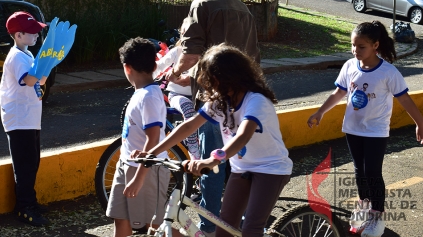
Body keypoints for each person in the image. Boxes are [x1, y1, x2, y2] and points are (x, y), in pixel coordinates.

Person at [136, 43, 292, 237]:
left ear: (226, 77)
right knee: (224, 227)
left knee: (252, 229)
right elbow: (189, 125)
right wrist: (153, 152)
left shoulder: (256, 101)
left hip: (270, 169)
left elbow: (243, 135)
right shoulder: (222, 101)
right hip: (242, 169)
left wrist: (214, 159)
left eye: (211, 78)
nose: (208, 83)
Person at [166, 0, 261, 235]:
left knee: (210, 164)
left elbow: (192, 53)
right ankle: (232, 220)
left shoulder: (203, 5)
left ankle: (209, 224)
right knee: (233, 162)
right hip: (240, 99)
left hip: (212, 97)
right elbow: (253, 59)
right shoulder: (246, 10)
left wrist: (173, 72)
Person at [307, 21, 423, 237]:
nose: (355, 50)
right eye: (353, 45)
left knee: (372, 172)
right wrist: (320, 112)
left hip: (376, 131)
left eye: (361, 47)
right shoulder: (350, 66)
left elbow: (405, 99)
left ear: (375, 45)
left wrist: (420, 122)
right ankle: (364, 206)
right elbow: (339, 93)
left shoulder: (388, 72)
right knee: (360, 172)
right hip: (353, 128)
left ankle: (377, 214)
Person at [106, 37, 172, 237]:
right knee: (121, 217)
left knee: (156, 227)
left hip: (146, 171)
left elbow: (152, 139)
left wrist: (138, 178)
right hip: (127, 164)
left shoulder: (149, 97)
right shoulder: (143, 93)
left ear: (127, 68)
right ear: (154, 65)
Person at [0, 11, 50, 227]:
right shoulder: (17, 57)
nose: (37, 34)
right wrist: (47, 61)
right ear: (18, 35)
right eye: (32, 31)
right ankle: (25, 207)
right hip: (20, 121)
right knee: (25, 165)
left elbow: (40, 80)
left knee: (31, 163)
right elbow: (30, 81)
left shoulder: (27, 55)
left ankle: (29, 203)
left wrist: (49, 62)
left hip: (29, 119)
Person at [154, 23, 200, 160]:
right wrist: (145, 79)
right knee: (187, 108)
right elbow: (160, 65)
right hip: (177, 94)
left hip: (198, 95)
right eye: (185, 34)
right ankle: (193, 146)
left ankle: (188, 132)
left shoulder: (202, 53)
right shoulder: (177, 52)